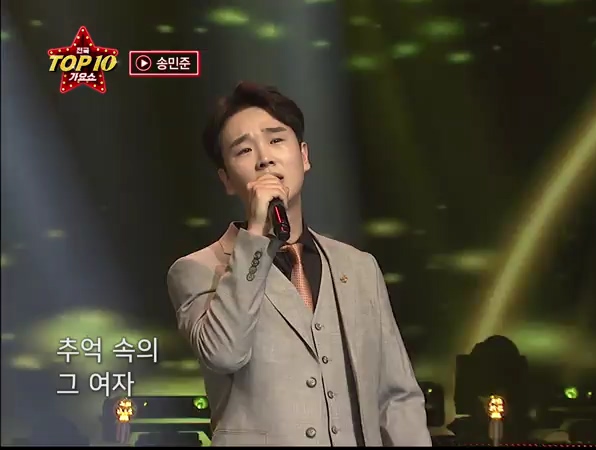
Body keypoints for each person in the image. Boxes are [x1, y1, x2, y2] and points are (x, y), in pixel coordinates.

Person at [166, 82, 431, 446]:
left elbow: (396, 397)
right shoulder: (196, 270)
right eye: (244, 150)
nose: (265, 158)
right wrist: (256, 234)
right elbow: (224, 353)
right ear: (226, 179)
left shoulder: (359, 268)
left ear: (304, 156)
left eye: (276, 140)